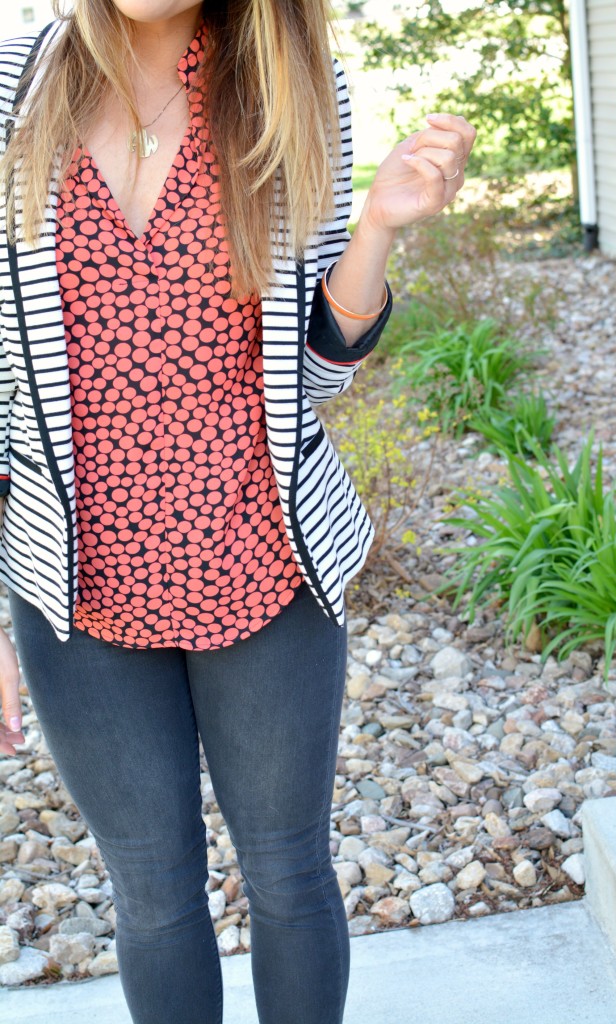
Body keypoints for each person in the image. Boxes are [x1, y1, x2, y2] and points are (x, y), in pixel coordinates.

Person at [0, 2, 476, 1021]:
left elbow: (311, 370)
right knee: (155, 900)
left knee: (288, 875)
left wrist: (377, 229)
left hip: (263, 564)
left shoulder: (292, 84)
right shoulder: (12, 86)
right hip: (78, 592)